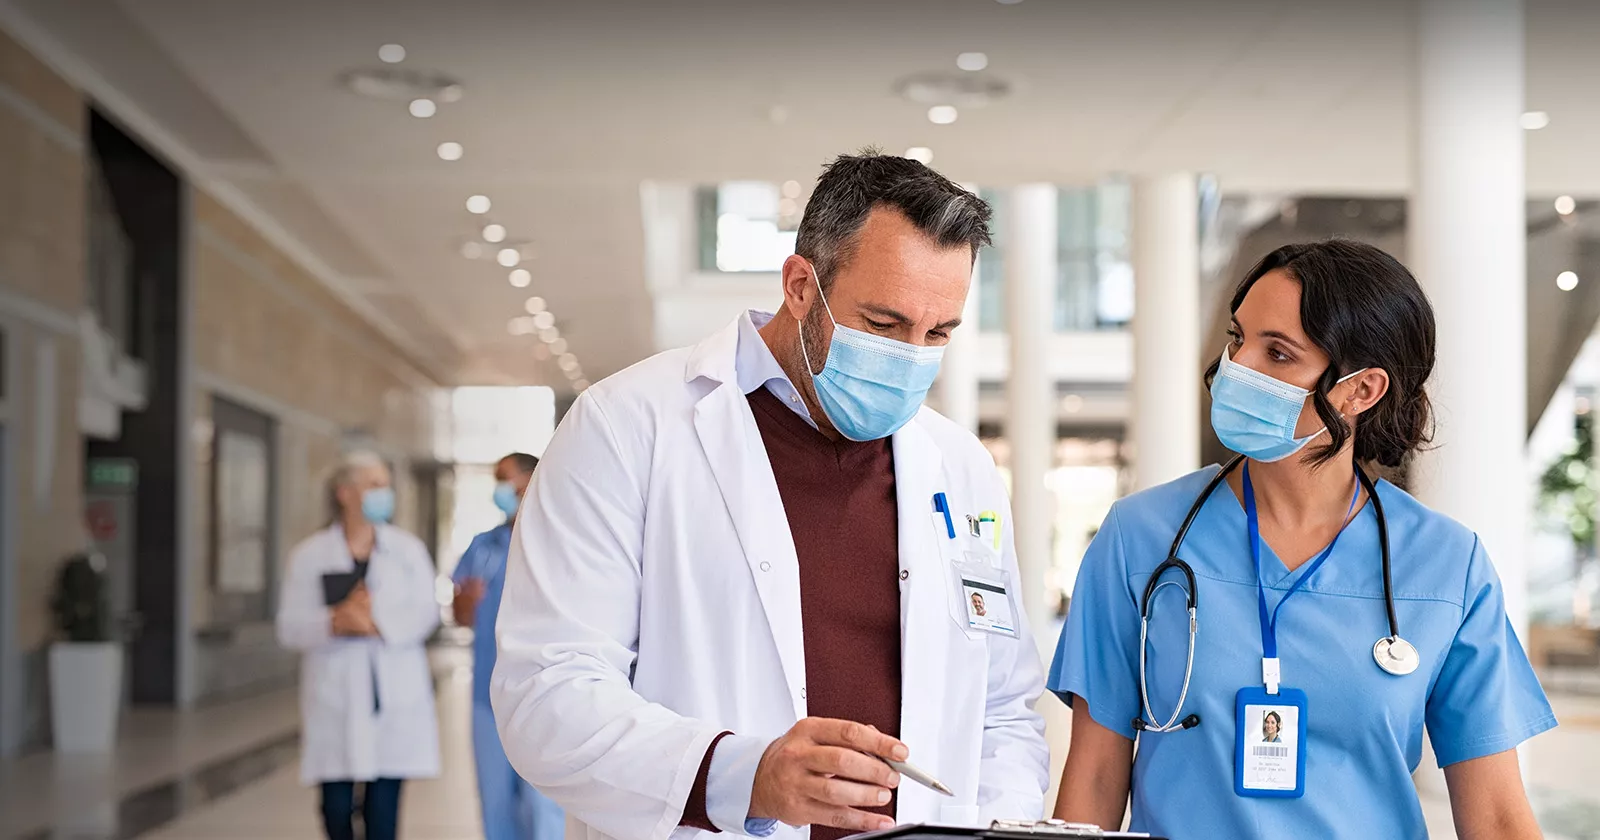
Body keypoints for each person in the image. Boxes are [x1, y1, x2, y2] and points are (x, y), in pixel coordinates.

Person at [492, 152, 1049, 840]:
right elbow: (546, 693)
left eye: (937, 334)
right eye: (882, 323)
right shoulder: (628, 426)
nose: (911, 356)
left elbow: (1004, 710)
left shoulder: (959, 466)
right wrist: (744, 776)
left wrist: (992, 825)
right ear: (799, 286)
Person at [1049, 241, 1556, 839]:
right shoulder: (1140, 538)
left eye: (1279, 354)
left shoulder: (1447, 565)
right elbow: (1096, 780)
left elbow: (1496, 817)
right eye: (1239, 339)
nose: (1239, 368)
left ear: (1361, 390)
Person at [277, 451, 442, 840]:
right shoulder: (309, 555)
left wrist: (372, 623)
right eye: (373, 484)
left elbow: (425, 613)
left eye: (385, 485)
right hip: (335, 697)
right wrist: (333, 621)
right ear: (344, 493)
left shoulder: (407, 551)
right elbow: (289, 628)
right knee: (335, 809)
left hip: (393, 698)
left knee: (383, 814)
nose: (383, 493)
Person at [452, 453, 564, 840]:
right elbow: (460, 615)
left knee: (543, 805)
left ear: (532, 480)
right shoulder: (483, 545)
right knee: (495, 800)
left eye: (507, 479)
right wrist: (463, 603)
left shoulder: (559, 540)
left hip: (545, 693)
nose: (501, 490)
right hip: (488, 694)